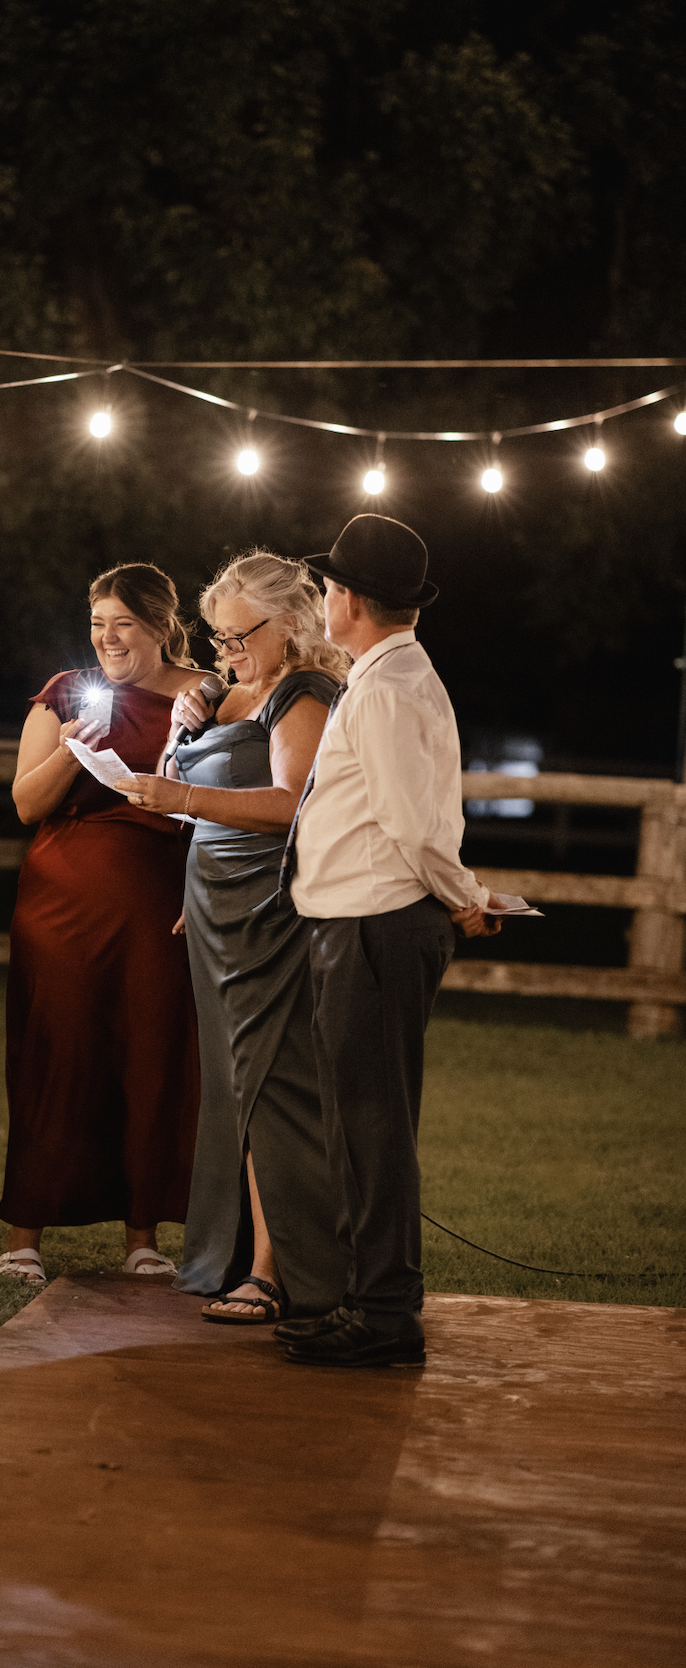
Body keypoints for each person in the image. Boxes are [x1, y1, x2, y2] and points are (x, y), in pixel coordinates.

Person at [274, 514, 504, 1371]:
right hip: (365, 922)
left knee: (370, 1126)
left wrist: (465, 898)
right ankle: (374, 1301)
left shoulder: (384, 688)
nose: (324, 599)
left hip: (374, 925)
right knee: (366, 1122)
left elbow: (413, 825)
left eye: (330, 588)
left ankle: (381, 1312)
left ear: (354, 601)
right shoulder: (392, 675)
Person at [115, 553, 349, 1328]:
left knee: (271, 1085)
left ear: (290, 624)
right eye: (216, 637)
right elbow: (177, 797)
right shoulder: (227, 693)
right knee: (230, 1085)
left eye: (238, 635)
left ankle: (276, 1270)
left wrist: (182, 789)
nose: (225, 650)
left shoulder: (302, 692)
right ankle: (228, 1252)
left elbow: (290, 804)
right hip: (212, 902)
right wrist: (183, 731)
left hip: (269, 909)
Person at [0, 563, 202, 1284]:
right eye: (96, 624)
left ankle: (142, 1235)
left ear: (158, 625)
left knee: (149, 1054)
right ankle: (26, 1234)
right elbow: (26, 805)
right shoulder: (64, 694)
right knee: (58, 1051)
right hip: (64, 899)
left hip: (158, 898)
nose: (107, 639)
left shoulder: (207, 694)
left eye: (122, 623)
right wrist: (70, 747)